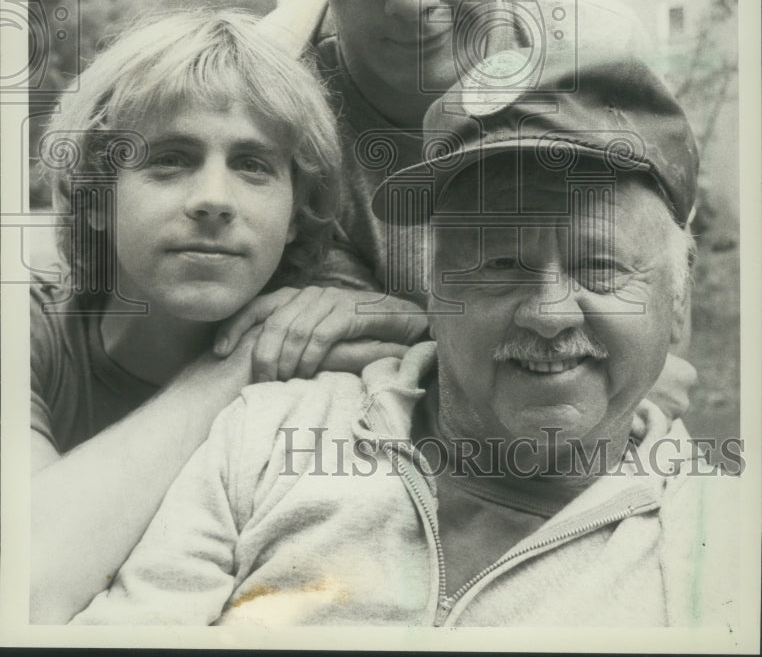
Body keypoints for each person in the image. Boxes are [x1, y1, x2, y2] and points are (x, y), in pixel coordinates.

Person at [69, 54, 738, 629]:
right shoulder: (267, 437)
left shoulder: (724, 545)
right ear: (433, 288)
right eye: (499, 265)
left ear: (678, 302)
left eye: (602, 268)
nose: (550, 312)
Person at [217, 0, 695, 407]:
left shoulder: (596, 52)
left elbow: (656, 334)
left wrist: (396, 321)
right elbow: (282, 347)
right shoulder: (269, 92)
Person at [30, 7, 414, 624]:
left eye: (253, 165)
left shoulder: (324, 356)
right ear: (97, 197)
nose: (213, 199)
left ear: (296, 215)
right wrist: (225, 374)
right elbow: (18, 590)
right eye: (171, 160)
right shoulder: (27, 332)